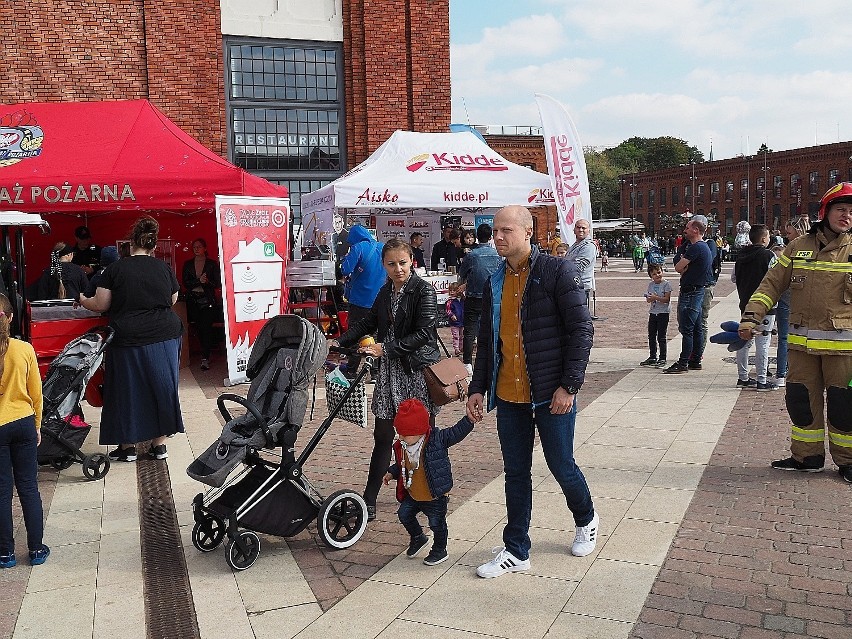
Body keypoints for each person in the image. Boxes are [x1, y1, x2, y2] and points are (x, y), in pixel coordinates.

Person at [466, 205, 597, 578]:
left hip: (551, 392)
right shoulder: (495, 279)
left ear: (528, 232)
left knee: (561, 464)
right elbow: (488, 341)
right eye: (495, 231)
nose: (499, 237)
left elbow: (581, 331)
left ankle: (586, 517)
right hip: (509, 395)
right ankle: (516, 549)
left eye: (507, 230)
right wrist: (478, 387)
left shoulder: (556, 271)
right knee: (515, 472)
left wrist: (569, 386)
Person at [739, 183, 852, 482]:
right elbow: (771, 284)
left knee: (845, 407)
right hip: (801, 348)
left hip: (844, 351)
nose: (847, 216)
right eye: (841, 209)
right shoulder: (798, 246)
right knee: (801, 402)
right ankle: (807, 457)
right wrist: (751, 318)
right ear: (825, 212)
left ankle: (849, 462)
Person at [334, 238, 440, 520]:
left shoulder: (423, 291)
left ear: (411, 262)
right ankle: (370, 498)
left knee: (421, 436)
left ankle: (429, 490)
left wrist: (386, 349)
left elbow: (424, 334)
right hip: (389, 372)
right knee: (382, 435)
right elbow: (368, 322)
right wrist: (339, 341)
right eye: (391, 264)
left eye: (402, 263)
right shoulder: (385, 292)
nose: (398, 269)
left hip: (415, 372)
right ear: (383, 265)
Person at [79, 216, 184, 462]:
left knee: (126, 390)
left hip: (127, 337)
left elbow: (101, 303)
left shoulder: (116, 268)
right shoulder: (163, 268)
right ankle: (159, 446)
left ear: (130, 243)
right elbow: (172, 299)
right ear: (153, 246)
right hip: (165, 335)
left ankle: (128, 447)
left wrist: (84, 300)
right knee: (162, 387)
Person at [383, 398, 474, 566]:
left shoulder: (436, 440)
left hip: (434, 495)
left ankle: (440, 549)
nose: (401, 437)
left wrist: (468, 420)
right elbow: (403, 463)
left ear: (420, 430)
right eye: (399, 433)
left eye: (405, 434)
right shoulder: (403, 445)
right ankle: (418, 537)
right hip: (414, 494)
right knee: (404, 514)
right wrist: (392, 472)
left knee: (436, 523)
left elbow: (455, 433)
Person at [0, 293, 49, 569]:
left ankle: (5, 553)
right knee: (29, 487)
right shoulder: (24, 349)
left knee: (2, 491)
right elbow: (36, 393)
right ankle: (36, 549)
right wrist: (38, 425)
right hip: (23, 422)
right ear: (9, 317)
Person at [664, 215, 713, 374]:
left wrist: (684, 267)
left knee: (687, 329)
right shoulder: (700, 247)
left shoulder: (696, 248)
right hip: (696, 291)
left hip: (690, 293)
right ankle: (695, 359)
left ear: (696, 230)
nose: (684, 230)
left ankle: (683, 362)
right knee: (697, 328)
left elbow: (678, 267)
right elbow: (679, 262)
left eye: (687, 228)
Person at [732, 224, 777, 391]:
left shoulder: (740, 256)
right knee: (763, 343)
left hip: (745, 304)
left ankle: (743, 377)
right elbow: (776, 278)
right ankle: (762, 380)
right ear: (764, 238)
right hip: (766, 304)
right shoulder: (768, 255)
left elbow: (733, 278)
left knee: (745, 340)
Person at [457, 223, 502, 377]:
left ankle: (468, 363)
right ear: (491, 237)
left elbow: (462, 273)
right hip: (492, 295)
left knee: (470, 330)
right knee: (492, 327)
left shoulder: (471, 255)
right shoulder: (498, 255)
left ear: (477, 237)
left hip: (474, 296)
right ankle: (492, 358)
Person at [774, 216, 812, 386]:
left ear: (797, 230)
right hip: (800, 298)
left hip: (789, 297)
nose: (786, 235)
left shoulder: (792, 249)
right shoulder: (815, 248)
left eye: (789, 232)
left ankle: (782, 374)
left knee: (784, 337)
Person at [182, 238, 222, 371]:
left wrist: (206, 282)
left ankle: (205, 357)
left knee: (206, 328)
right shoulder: (188, 264)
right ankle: (202, 353)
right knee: (197, 328)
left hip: (207, 301)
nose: (196, 249)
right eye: (194, 247)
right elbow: (186, 283)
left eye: (199, 246)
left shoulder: (211, 264)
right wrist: (199, 281)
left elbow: (217, 284)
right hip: (193, 300)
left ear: (205, 248)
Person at [640, 264, 672, 368]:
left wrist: (656, 297)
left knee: (661, 336)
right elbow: (649, 300)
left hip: (663, 313)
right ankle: (652, 356)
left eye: (659, 272)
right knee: (651, 335)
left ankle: (663, 357)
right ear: (651, 276)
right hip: (653, 312)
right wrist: (649, 298)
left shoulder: (666, 284)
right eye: (654, 274)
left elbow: (666, 300)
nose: (657, 275)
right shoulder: (651, 285)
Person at [565, 219, 597, 318]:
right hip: (572, 285)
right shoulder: (575, 245)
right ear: (574, 230)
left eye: (584, 228)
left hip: (580, 286)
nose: (581, 230)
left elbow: (579, 267)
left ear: (589, 230)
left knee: (579, 318)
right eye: (578, 227)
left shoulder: (588, 246)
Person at [446, 282, 464, 357]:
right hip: (454, 322)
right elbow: (448, 310)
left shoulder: (463, 299)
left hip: (462, 321)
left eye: (454, 290)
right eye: (451, 290)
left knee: (462, 335)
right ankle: (456, 349)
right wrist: (451, 315)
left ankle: (461, 348)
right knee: (456, 336)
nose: (452, 292)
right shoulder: (450, 301)